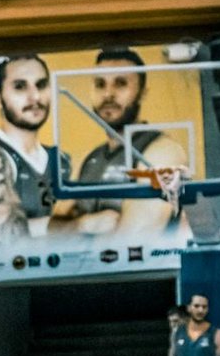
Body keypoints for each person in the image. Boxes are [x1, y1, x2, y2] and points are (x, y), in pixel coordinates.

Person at [68, 47, 186, 234]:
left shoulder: (164, 152)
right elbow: (53, 230)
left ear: (142, 93)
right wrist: (84, 224)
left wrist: (74, 231)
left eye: (120, 83)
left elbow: (133, 238)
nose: (108, 94)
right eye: (100, 84)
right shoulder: (89, 160)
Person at [0, 54, 74, 241]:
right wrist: (77, 225)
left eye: (41, 85)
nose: (35, 96)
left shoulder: (62, 160)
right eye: (20, 86)